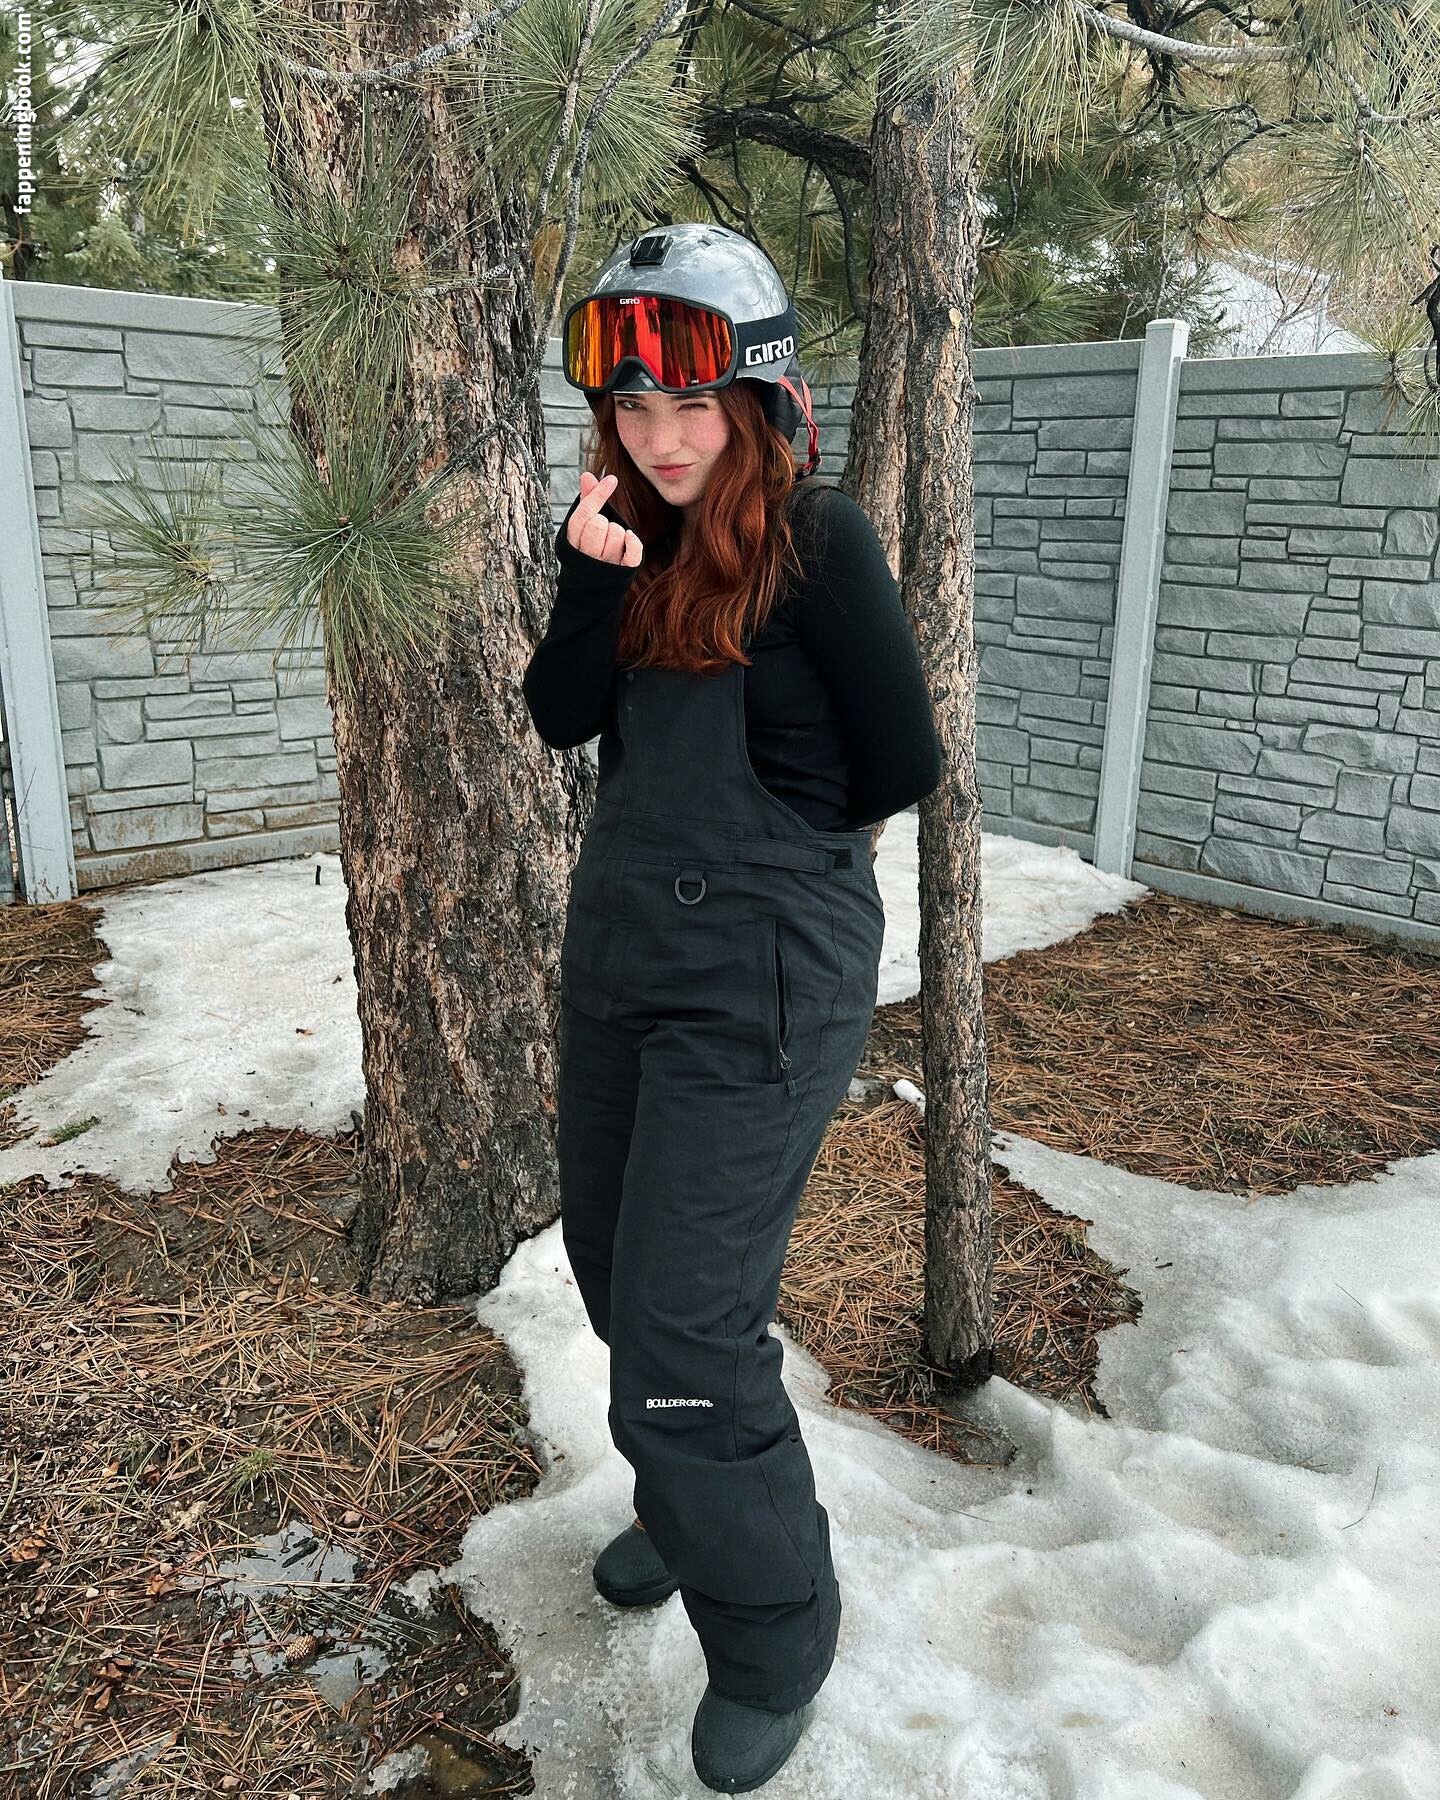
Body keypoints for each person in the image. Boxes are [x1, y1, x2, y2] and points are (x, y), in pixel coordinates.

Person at [521, 222, 942, 1793]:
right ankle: (691, 1505)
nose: (661, 437)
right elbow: (561, 715)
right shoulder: (622, 531)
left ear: (756, 398)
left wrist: (767, 818)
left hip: (761, 981)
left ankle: (774, 1632)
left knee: (687, 1335)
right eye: (632, 409)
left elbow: (901, 760)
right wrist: (587, 580)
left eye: (689, 406)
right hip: (622, 967)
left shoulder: (819, 543)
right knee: (617, 1274)